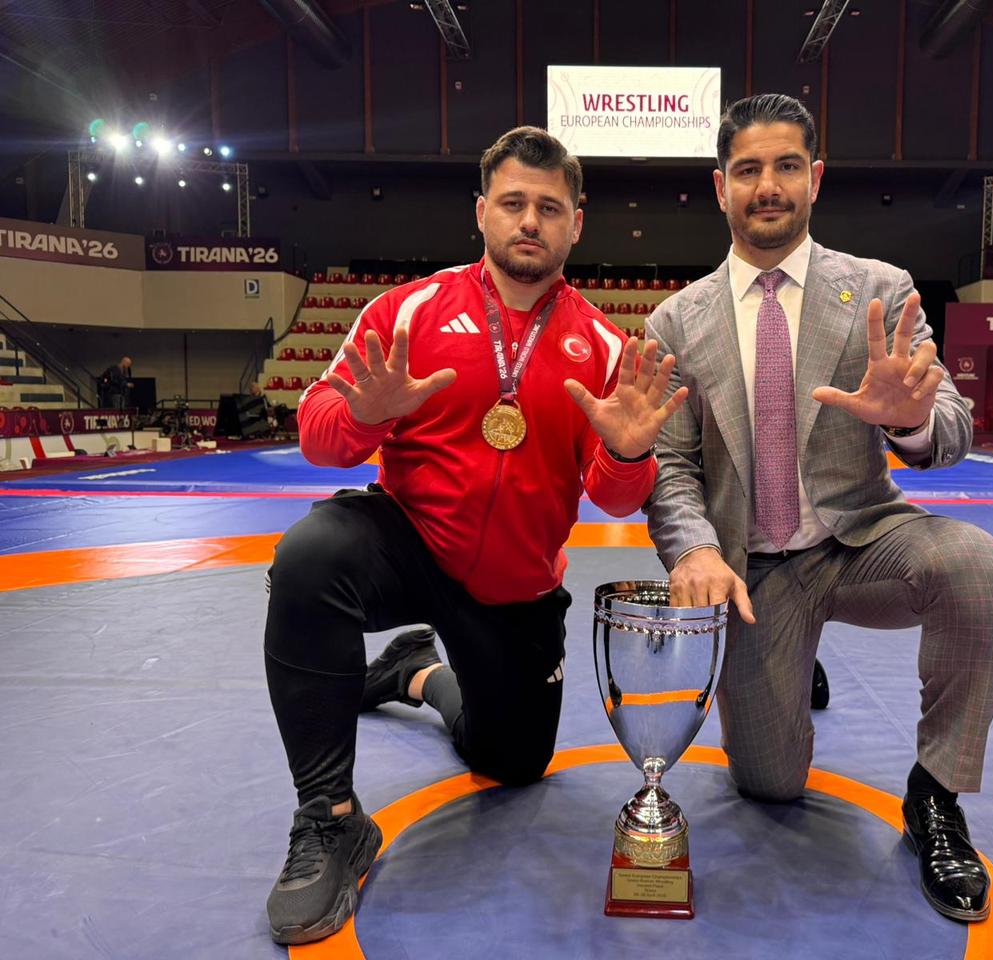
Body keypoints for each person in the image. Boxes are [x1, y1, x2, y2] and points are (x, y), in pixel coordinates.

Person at [262, 126, 687, 945]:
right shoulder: (408, 311)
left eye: (550, 208)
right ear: (482, 212)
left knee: (513, 763)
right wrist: (363, 413)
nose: (531, 221)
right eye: (515, 203)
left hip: (516, 586)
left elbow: (612, 493)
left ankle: (414, 674)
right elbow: (317, 436)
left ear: (576, 224)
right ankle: (330, 819)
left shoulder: (603, 346)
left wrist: (630, 451)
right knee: (312, 557)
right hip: (410, 542)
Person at [645, 94, 993, 923]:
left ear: (814, 178)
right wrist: (693, 550)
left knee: (977, 569)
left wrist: (910, 419)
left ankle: (937, 796)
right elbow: (670, 465)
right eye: (747, 170)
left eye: (785, 166)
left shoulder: (881, 292)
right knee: (769, 783)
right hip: (757, 570)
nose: (766, 186)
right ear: (720, 187)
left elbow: (952, 425)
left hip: (862, 542)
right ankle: (787, 657)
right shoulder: (678, 319)